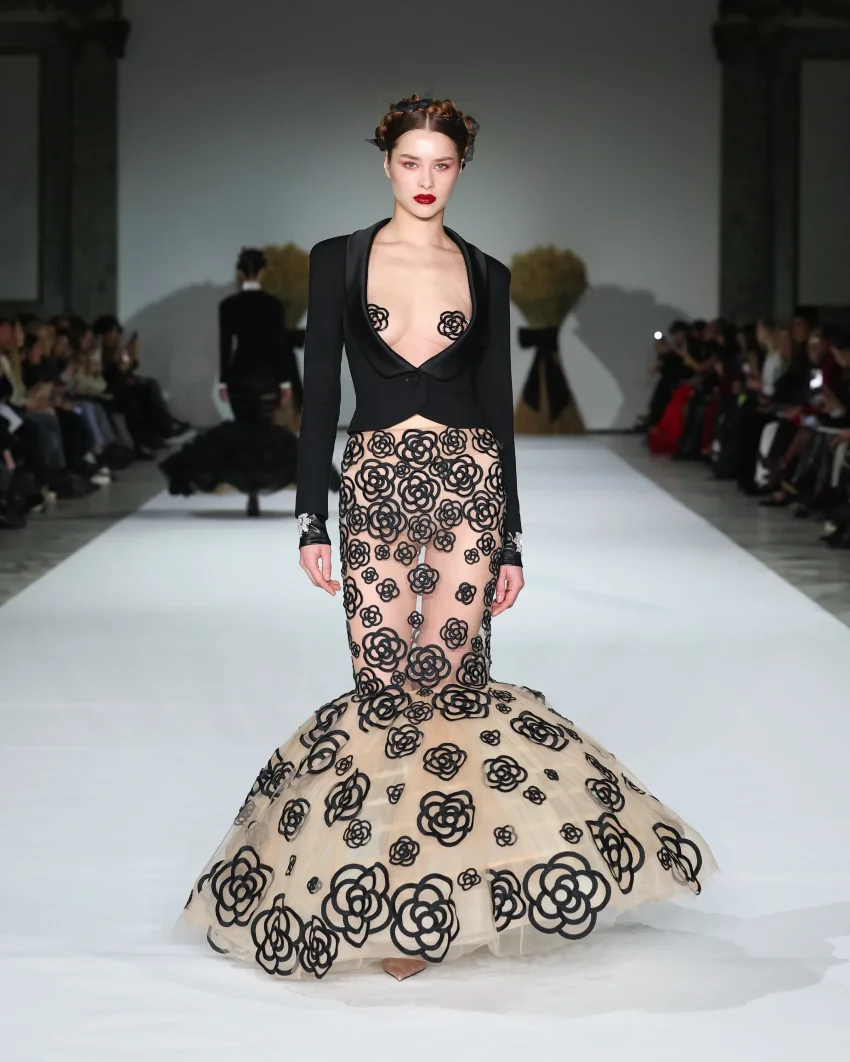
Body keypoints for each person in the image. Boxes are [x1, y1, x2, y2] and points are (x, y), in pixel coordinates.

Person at [180, 93, 717, 982]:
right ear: (385, 163)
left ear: (461, 168)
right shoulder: (340, 261)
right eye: (410, 163)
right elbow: (321, 396)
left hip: (468, 485)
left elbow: (497, 410)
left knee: (445, 680)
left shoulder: (487, 272)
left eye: (442, 164)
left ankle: (422, 912)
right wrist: (311, 515)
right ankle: (395, 892)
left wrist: (511, 540)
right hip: (375, 486)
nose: (425, 180)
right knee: (385, 686)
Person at [158, 248, 302, 514]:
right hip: (267, 378)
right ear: (262, 272)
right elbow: (279, 346)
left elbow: (226, 345)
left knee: (243, 431)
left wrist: (224, 381)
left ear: (239, 272)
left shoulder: (229, 305)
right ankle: (257, 490)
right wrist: (284, 383)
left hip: (240, 377)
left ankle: (249, 490)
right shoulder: (274, 305)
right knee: (263, 431)